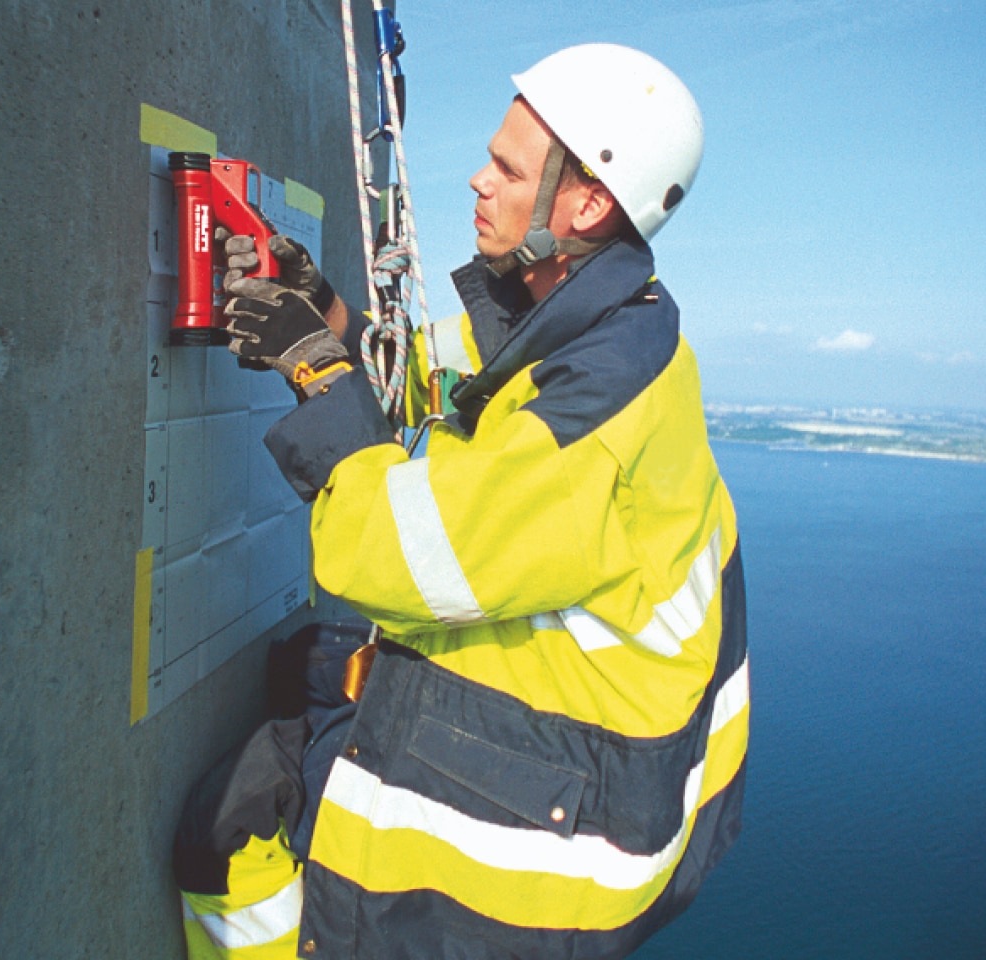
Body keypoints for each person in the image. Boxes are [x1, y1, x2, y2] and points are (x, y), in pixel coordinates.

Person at [172, 44, 749, 960]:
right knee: (304, 668)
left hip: (551, 849)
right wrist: (326, 318)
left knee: (232, 822)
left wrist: (321, 381)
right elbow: (456, 396)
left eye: (509, 169)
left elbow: (388, 559)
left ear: (586, 203)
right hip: (607, 770)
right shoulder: (602, 332)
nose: (478, 180)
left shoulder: (593, 406)